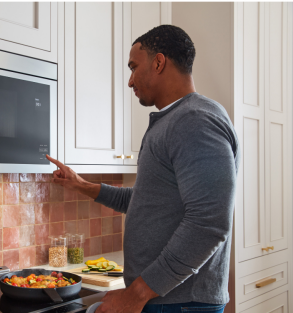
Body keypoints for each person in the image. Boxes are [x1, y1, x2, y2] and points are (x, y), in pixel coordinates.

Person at [46, 25, 239, 313]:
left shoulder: (194, 120)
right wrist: (80, 184)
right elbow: (146, 201)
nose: (130, 80)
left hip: (180, 303)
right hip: (165, 299)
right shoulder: (176, 120)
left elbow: (209, 224)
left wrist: (135, 295)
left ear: (159, 62)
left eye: (134, 67)